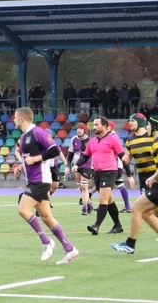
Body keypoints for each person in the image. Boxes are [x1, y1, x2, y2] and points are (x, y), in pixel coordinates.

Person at [13, 108, 79, 264]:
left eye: (15, 117)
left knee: (23, 209)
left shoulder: (37, 132)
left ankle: (46, 241)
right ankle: (69, 249)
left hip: (41, 180)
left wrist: (35, 159)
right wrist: (21, 167)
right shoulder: (23, 137)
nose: (13, 120)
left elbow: (54, 149)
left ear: (22, 118)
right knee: (46, 217)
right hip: (34, 180)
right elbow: (28, 158)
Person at [111, 113, 158, 258]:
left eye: (149, 125)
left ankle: (130, 244)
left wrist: (154, 177)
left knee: (136, 209)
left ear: (154, 127)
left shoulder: (157, 142)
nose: (147, 127)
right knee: (146, 212)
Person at [76, 116, 125, 235]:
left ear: (105, 126)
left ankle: (96, 225)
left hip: (110, 172)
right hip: (97, 173)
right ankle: (118, 225)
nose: (94, 127)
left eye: (97, 125)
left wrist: (128, 173)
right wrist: (76, 165)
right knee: (109, 200)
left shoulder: (113, 139)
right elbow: (85, 156)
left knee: (103, 199)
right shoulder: (92, 141)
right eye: (94, 125)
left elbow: (122, 155)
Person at [66, 123, 93, 215]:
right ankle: (89, 203)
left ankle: (84, 207)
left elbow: (94, 153)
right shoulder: (73, 139)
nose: (79, 130)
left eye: (81, 128)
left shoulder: (90, 140)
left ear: (85, 130)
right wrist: (67, 166)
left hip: (87, 165)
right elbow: (70, 155)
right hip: (76, 165)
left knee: (84, 186)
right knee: (81, 187)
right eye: (78, 128)